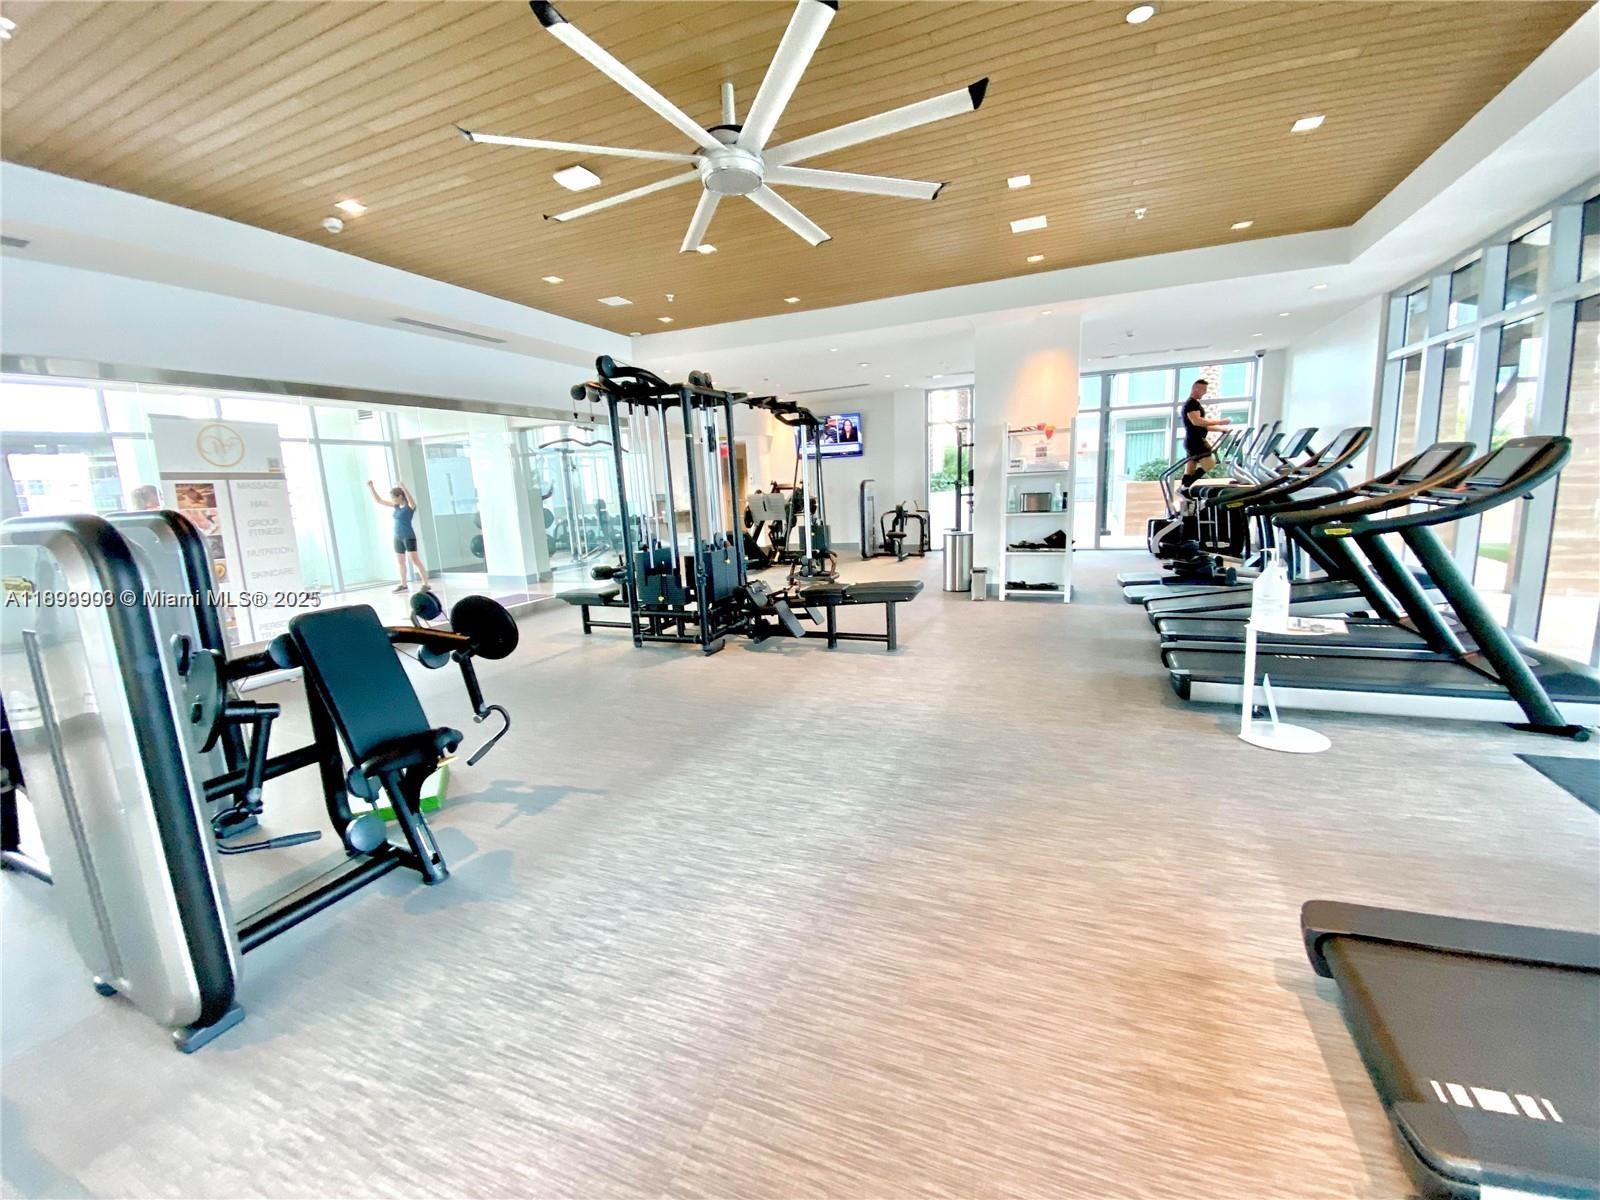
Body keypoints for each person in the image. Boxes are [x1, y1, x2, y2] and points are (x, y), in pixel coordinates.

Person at [368, 479, 430, 593]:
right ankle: (403, 584)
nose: (392, 500)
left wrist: (403, 486)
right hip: (397, 538)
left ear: (400, 496)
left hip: (408, 537)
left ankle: (425, 584)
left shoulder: (410, 507)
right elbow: (379, 500)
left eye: (393, 497)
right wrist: (371, 487)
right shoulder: (396, 507)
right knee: (400, 562)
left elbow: (411, 501)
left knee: (415, 560)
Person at [1179, 379, 1230, 489]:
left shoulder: (1194, 403)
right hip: (1195, 441)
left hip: (1192, 440)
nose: (1205, 392)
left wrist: (1220, 429)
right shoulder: (1192, 403)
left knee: (1190, 468)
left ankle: (1184, 488)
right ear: (1196, 388)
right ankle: (1185, 487)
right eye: (1204, 389)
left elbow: (1202, 425)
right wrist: (1220, 422)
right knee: (1210, 462)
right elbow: (1197, 421)